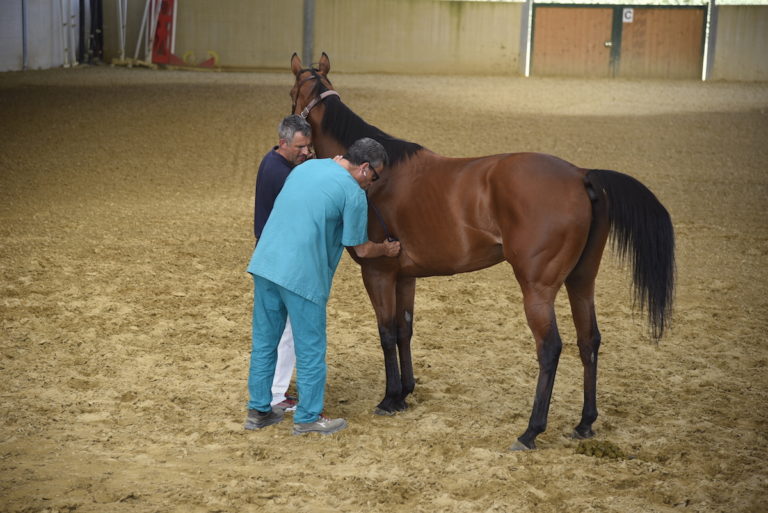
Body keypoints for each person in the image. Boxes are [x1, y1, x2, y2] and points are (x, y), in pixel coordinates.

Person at [244, 137, 400, 435]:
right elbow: (362, 249)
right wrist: (387, 249)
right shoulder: (353, 193)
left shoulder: (307, 167)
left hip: (265, 263)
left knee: (265, 342)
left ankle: (259, 410)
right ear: (365, 169)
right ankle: (308, 418)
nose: (372, 184)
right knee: (311, 348)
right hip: (303, 275)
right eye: (375, 177)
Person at [253, 114, 313, 412]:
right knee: (288, 331)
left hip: (266, 256)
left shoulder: (272, 161)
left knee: (271, 332)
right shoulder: (285, 176)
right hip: (282, 261)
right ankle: (277, 395)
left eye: (308, 147)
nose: (304, 152)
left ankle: (267, 396)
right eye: (300, 147)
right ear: (283, 143)